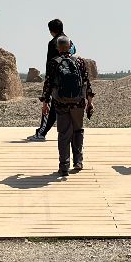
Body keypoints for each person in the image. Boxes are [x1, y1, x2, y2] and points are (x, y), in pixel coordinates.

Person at [39, 35, 92, 177]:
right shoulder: (80, 61)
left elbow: (48, 85)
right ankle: (78, 162)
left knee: (63, 134)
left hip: (60, 103)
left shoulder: (53, 63)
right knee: (78, 131)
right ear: (70, 46)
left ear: (57, 48)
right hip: (78, 103)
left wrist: (45, 104)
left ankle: (64, 166)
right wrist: (90, 103)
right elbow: (87, 83)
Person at [30, 18, 65, 141]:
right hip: (67, 83)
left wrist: (47, 82)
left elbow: (50, 63)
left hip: (55, 81)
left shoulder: (53, 42)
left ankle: (41, 133)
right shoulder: (68, 41)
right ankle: (41, 131)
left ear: (51, 30)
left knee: (49, 109)